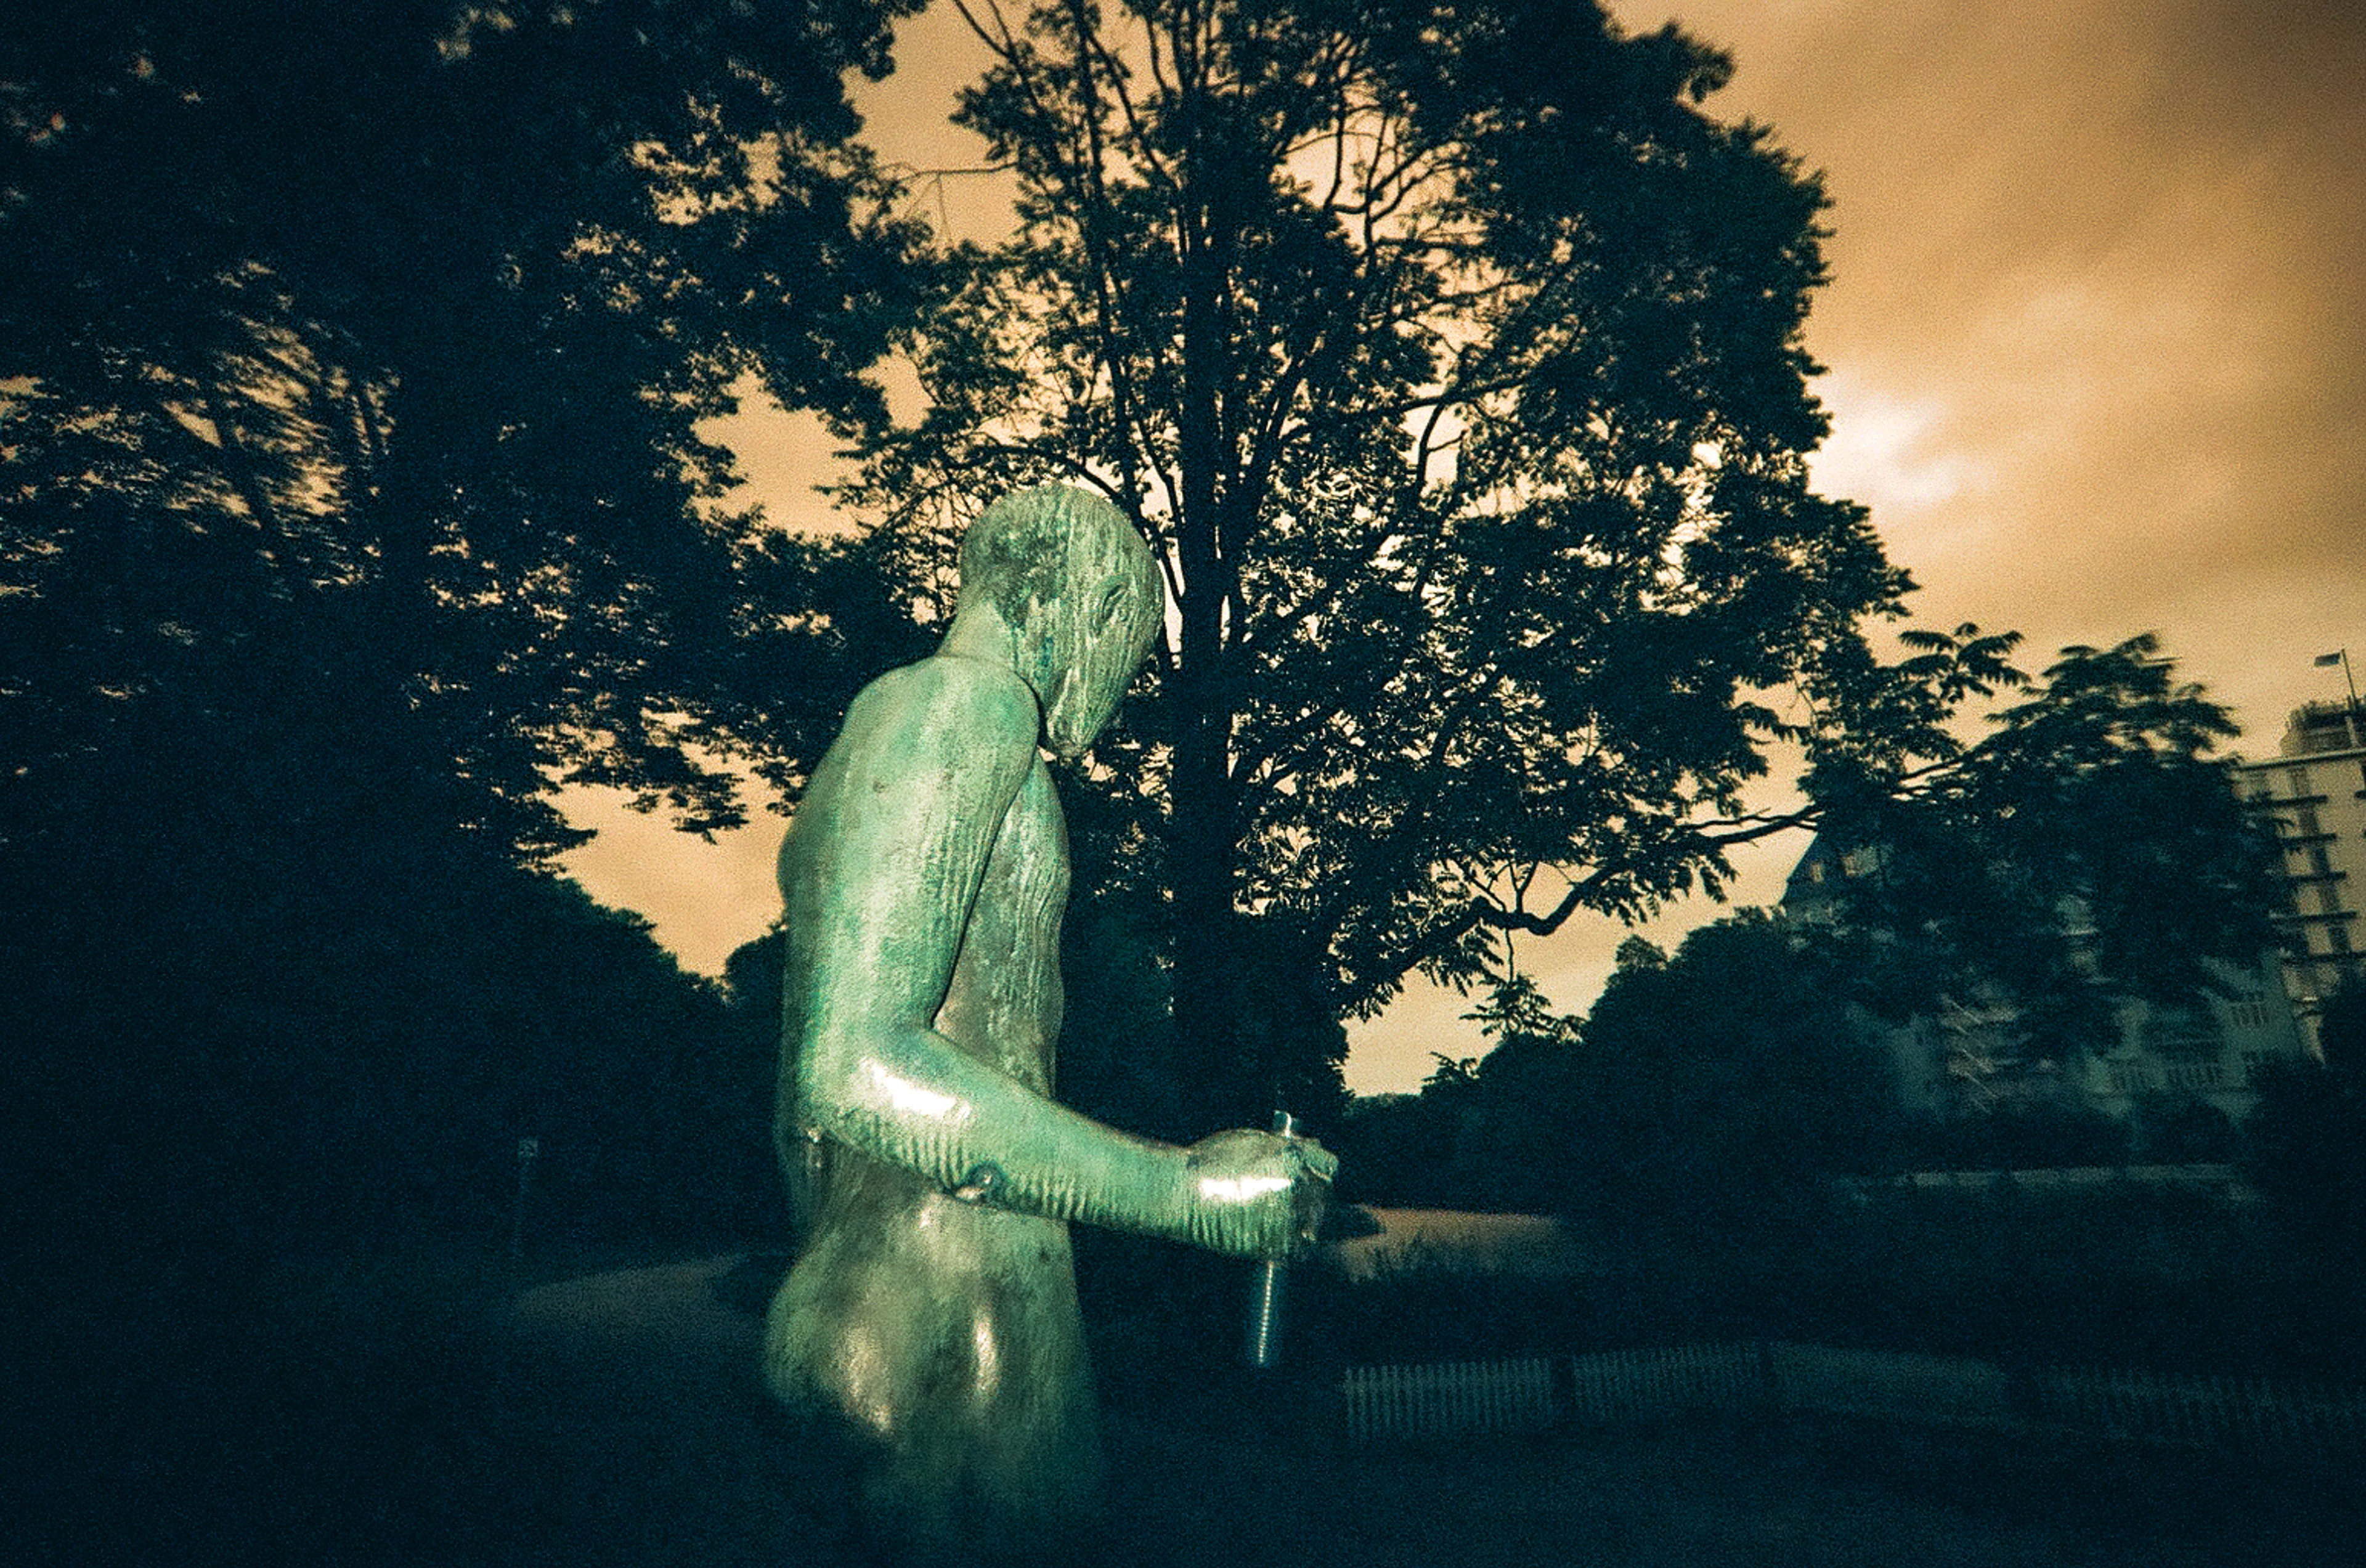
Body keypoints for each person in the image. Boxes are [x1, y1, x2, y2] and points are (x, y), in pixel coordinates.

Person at [763, 483, 1335, 1556]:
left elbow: (797, 1117)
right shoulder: (967, 707)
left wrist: (832, 1269)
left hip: (896, 1289)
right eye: (1131, 649)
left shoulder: (876, 738)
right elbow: (849, 1064)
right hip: (947, 1305)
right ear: (1091, 603)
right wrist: (1187, 1191)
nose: (1120, 694)